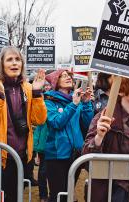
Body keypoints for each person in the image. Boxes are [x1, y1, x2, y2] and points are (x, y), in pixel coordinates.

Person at [0, 46, 47, 202]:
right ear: (1, 64)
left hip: (20, 158)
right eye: (9, 59)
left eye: (18, 59)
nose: (14, 63)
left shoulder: (29, 88)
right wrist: (0, 94)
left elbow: (39, 120)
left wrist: (37, 94)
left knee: (14, 198)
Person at [43, 69, 94, 202]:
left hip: (75, 154)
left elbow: (88, 124)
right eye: (63, 76)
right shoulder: (49, 100)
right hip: (57, 156)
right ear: (55, 82)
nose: (68, 78)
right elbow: (56, 123)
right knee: (59, 195)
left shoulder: (75, 98)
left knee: (69, 191)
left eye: (69, 76)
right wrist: (73, 104)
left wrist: (87, 103)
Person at [34, 80, 52, 202]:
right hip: (44, 146)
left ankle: (53, 195)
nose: (47, 87)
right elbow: (39, 128)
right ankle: (43, 196)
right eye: (45, 85)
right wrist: (36, 149)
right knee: (43, 172)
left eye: (49, 85)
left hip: (56, 145)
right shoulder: (43, 104)